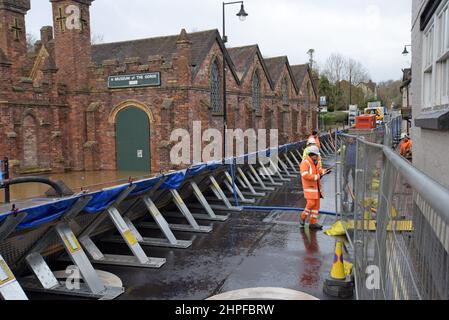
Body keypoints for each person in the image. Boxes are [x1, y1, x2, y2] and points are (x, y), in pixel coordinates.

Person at [300, 145, 329, 230]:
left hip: (316, 188)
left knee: (316, 206)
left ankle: (313, 223)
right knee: (311, 203)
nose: (317, 156)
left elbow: (319, 170)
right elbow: (304, 175)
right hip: (309, 188)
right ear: (311, 154)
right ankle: (302, 217)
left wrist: (325, 171)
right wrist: (316, 177)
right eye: (316, 155)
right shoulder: (305, 163)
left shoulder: (316, 162)